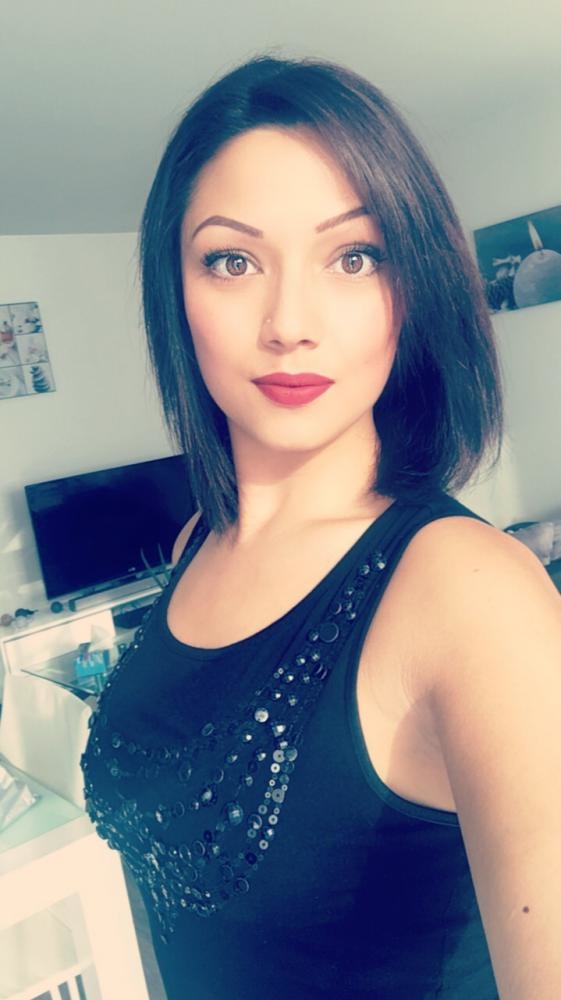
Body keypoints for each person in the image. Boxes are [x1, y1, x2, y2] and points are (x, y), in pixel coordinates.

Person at [81, 56, 561, 999]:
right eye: (232, 261)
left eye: (354, 256)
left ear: (411, 285)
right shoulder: (193, 546)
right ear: (175, 292)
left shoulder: (470, 592)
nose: (288, 323)